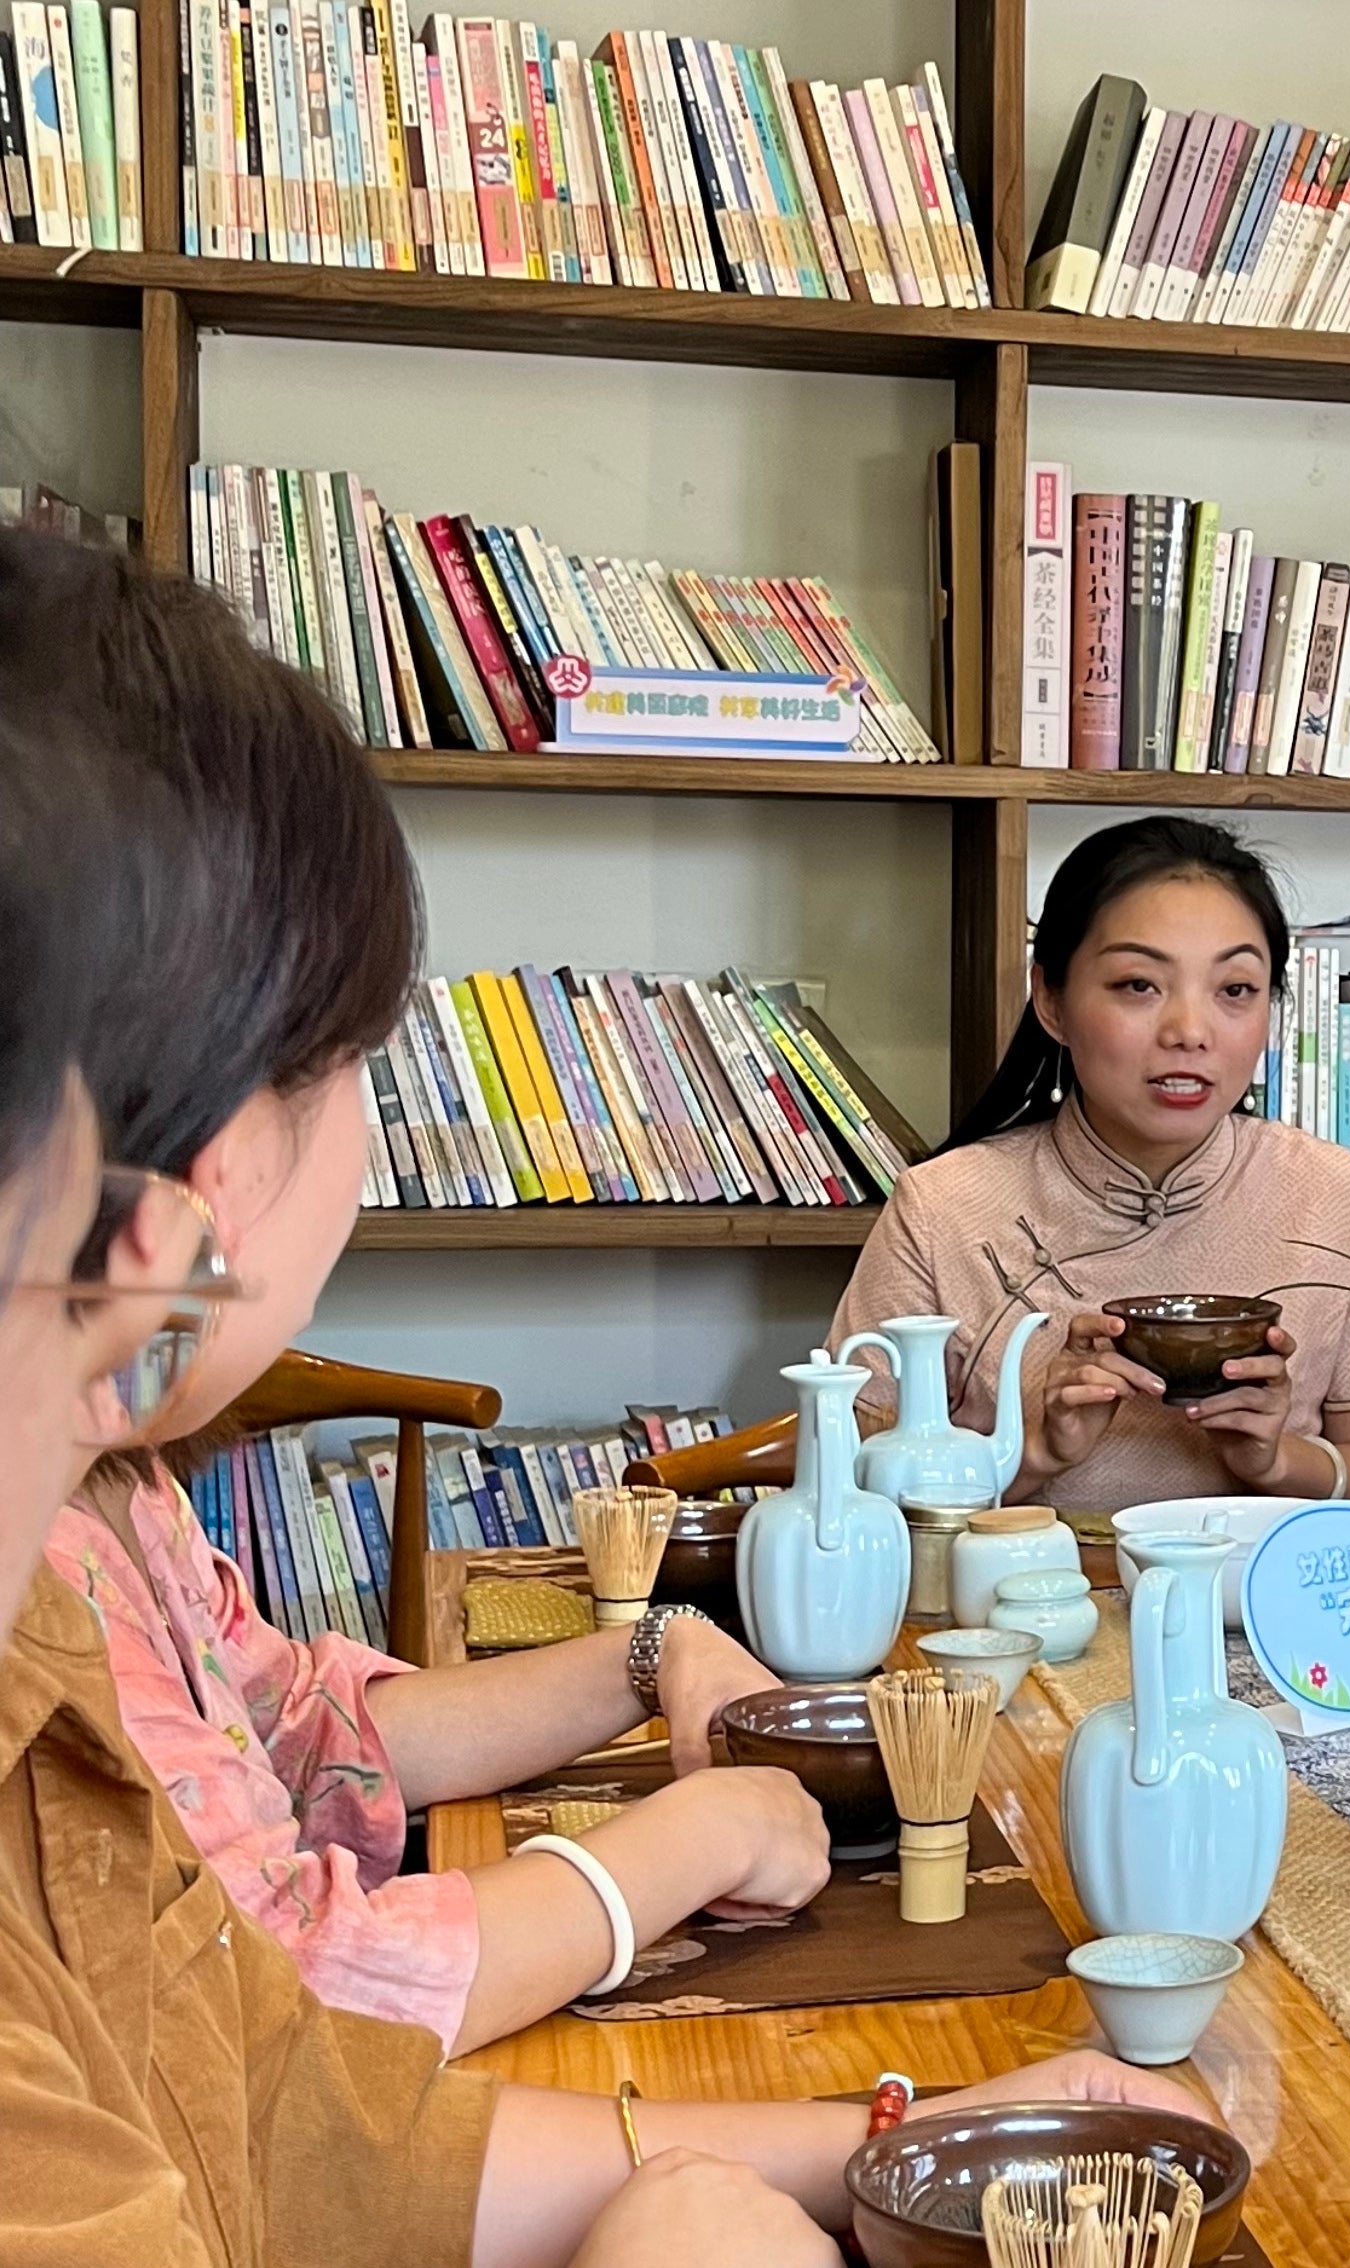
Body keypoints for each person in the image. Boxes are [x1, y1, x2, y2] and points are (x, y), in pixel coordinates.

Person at [0, 527, 1199, 2268]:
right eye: (351, 1058)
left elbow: (288, 2117)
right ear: (181, 1219)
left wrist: (885, 2143)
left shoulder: (62, 1587)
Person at [6, 529, 817, 2054]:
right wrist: (682, 1848)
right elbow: (301, 2004)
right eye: (363, 1058)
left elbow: (297, 1729)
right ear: (229, 1158)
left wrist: (649, 1654)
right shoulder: (42, 1543)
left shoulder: (105, 1476)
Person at [832, 816, 1350, 1511]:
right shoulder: (942, 1207)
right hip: (1023, 1614)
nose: (1190, 1033)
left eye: (1235, 989)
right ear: (1051, 999)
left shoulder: (1337, 1194)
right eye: (1139, 985)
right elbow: (847, 1486)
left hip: (1265, 1612)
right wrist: (1033, 1452)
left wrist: (1275, 1460)